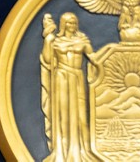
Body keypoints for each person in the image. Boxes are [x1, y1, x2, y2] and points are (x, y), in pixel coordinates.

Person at [39, 12, 98, 162]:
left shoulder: (82, 40)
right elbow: (47, 59)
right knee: (63, 115)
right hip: (61, 77)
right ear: (63, 24)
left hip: (77, 77)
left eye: (74, 22)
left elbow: (94, 57)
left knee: (80, 116)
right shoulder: (55, 41)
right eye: (69, 23)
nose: (72, 25)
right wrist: (47, 40)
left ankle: (82, 150)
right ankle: (63, 153)